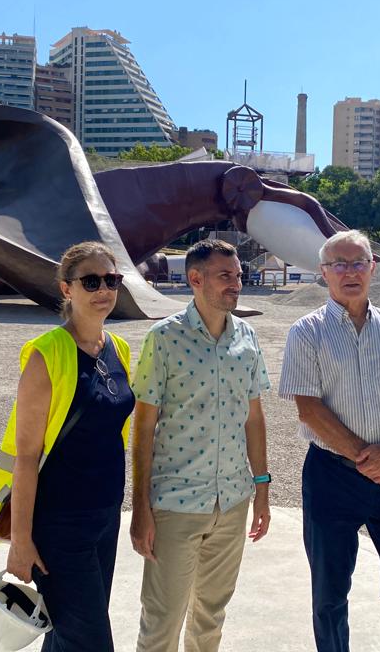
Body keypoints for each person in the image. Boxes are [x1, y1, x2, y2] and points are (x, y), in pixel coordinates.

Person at [279, 229, 380, 652]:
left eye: (358, 263)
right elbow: (309, 408)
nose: (350, 272)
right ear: (324, 273)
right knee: (330, 596)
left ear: (372, 267)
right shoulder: (306, 333)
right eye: (340, 265)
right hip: (333, 477)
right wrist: (369, 461)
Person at [0, 241, 135, 652]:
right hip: (60, 526)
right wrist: (22, 541)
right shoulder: (45, 355)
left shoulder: (119, 350)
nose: (104, 290)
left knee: (66, 635)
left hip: (104, 515)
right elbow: (26, 457)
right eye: (92, 281)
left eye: (111, 280)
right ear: (67, 289)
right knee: (92, 642)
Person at [130, 239, 271, 652]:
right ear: (195, 279)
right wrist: (140, 507)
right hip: (176, 504)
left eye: (238, 276)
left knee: (211, 618)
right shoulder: (164, 339)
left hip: (232, 501)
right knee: (161, 621)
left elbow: (255, 419)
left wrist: (261, 488)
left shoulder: (247, 338)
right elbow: (143, 428)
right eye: (225, 276)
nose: (236, 284)